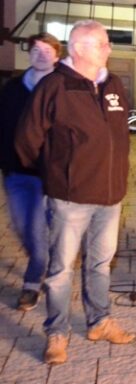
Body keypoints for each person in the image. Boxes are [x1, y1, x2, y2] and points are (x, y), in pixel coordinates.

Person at [15, 20, 135, 365]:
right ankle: (57, 333)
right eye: (102, 44)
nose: (109, 49)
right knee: (60, 270)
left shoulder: (112, 84)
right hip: (69, 199)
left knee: (99, 265)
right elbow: (27, 138)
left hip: (110, 197)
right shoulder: (54, 86)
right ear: (79, 49)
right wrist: (54, 175)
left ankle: (99, 322)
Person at [0, 32, 60, 311]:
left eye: (47, 51)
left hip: (46, 173)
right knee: (21, 227)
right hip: (15, 172)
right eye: (36, 50)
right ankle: (44, 260)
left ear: (56, 56)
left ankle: (32, 282)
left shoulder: (61, 88)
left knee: (36, 229)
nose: (41, 54)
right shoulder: (13, 88)